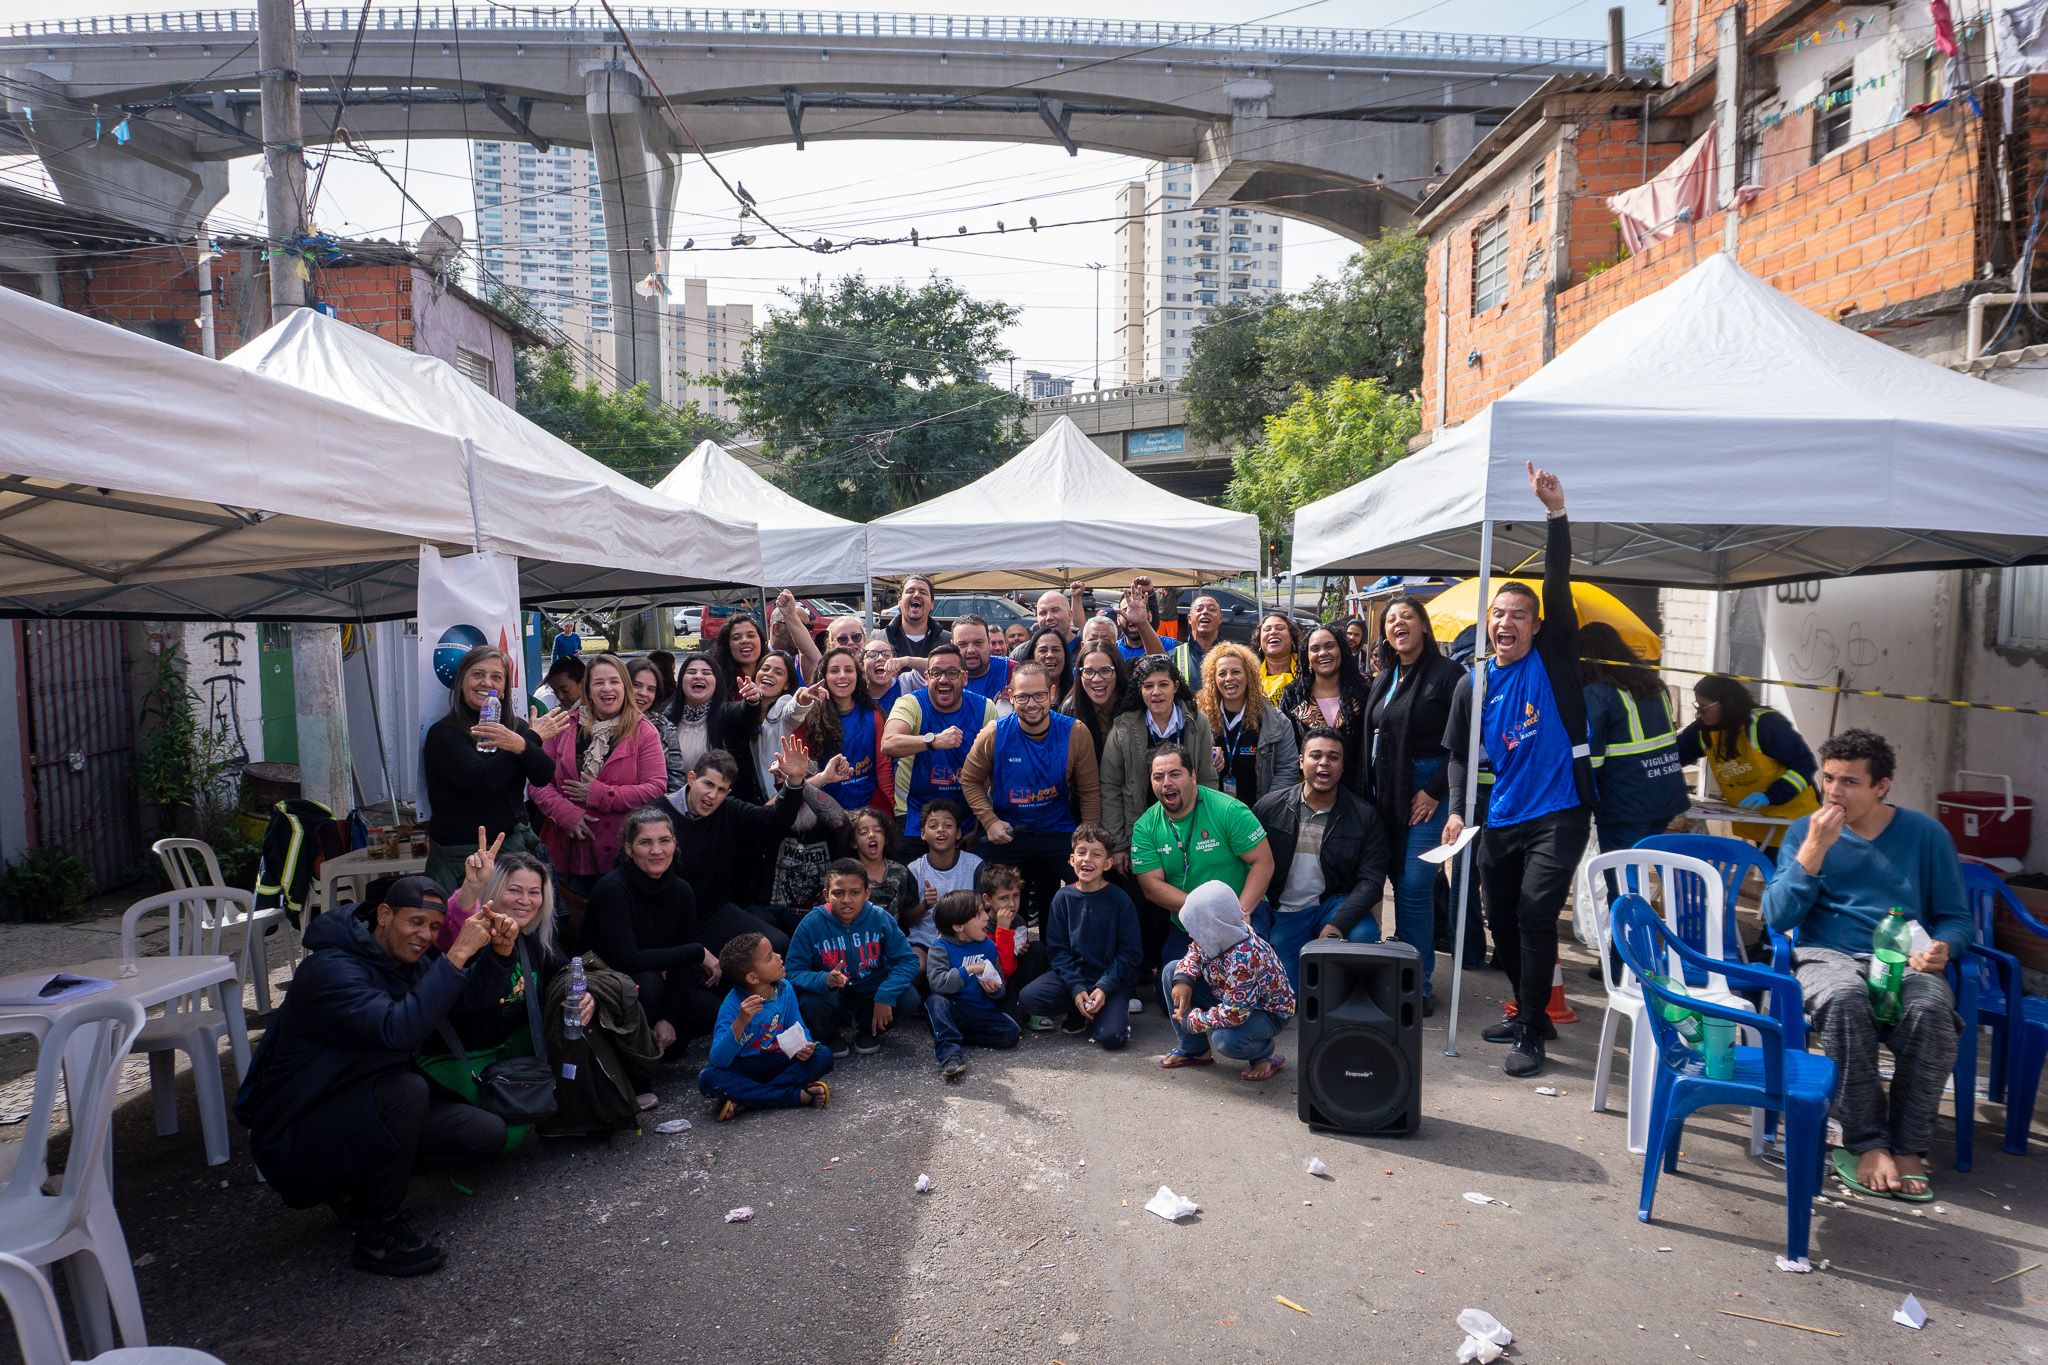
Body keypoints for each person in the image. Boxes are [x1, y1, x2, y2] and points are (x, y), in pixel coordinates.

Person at [235, 876, 517, 1277]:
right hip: (295, 1133)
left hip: (358, 1108)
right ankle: (378, 1234)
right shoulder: (330, 970)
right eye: (415, 922)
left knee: (483, 1133)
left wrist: (500, 956)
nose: (425, 936)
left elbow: (463, 998)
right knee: (406, 1091)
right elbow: (397, 1029)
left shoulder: (402, 959)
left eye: (435, 928)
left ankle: (355, 1191)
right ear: (384, 915)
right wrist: (455, 955)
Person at [1759, 729, 1971, 1201]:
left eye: (1850, 782)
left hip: (1903, 957)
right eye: (1829, 777)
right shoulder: (1804, 831)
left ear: (1882, 786)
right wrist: (1813, 851)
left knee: (1931, 1012)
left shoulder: (1924, 834)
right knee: (1843, 999)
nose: (1834, 791)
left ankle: (1911, 1145)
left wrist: (1945, 948)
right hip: (1826, 954)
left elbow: (1956, 918)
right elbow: (1777, 917)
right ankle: (1867, 1140)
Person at [1441, 463, 1597, 1079]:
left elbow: (1556, 580)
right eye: (1497, 615)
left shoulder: (1555, 657)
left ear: (1535, 626)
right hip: (1500, 815)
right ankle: (1526, 1004)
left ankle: (1534, 1026)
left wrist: (1556, 515)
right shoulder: (1473, 683)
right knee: (1498, 917)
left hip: (1559, 811)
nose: (1505, 623)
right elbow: (1459, 753)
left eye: (1517, 615)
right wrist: (1457, 809)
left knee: (1535, 912)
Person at [425, 848, 660, 1122]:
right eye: (514, 890)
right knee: (505, 1132)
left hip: (511, 1044)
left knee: (585, 1008)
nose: (525, 901)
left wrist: (590, 996)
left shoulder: (531, 936)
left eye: (534, 892)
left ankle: (604, 1100)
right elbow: (450, 931)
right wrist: (471, 887)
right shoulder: (468, 934)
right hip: (464, 1053)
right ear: (494, 889)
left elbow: (570, 974)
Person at [585, 807, 777, 1053]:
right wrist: (697, 952)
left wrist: (669, 1018)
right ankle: (631, 1062)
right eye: (645, 842)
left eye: (664, 841)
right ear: (628, 849)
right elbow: (628, 959)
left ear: (674, 844)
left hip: (655, 975)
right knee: (650, 983)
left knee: (713, 1012)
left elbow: (683, 963)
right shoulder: (613, 889)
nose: (656, 850)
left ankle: (660, 1042)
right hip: (609, 983)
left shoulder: (681, 890)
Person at [1362, 594, 1470, 1004]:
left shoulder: (1450, 675)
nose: (1398, 624)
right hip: (1388, 786)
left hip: (1428, 787)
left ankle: (1416, 987)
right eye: (1391, 620)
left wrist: (1434, 789)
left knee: (1414, 885)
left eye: (1407, 616)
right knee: (1396, 878)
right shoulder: (1387, 676)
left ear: (1424, 625)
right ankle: (1404, 968)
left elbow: (1463, 746)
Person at [1247, 727, 1392, 996]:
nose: (1324, 762)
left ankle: (1349, 996)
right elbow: (1247, 864)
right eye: (1316, 755)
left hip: (1332, 905)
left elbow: (1371, 881)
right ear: (1301, 762)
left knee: (1361, 935)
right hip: (1285, 913)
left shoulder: (1364, 816)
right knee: (1288, 998)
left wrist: (1337, 924)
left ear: (1342, 765)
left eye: (1333, 757)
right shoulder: (1268, 808)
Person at [959, 661, 1102, 925]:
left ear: (1052, 693)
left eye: (1039, 695)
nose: (1032, 703)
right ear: (1011, 697)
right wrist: (989, 822)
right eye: (1023, 696)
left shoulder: (1075, 732)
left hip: (1058, 831)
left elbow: (1090, 791)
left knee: (1095, 885)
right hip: (1008, 834)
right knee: (983, 893)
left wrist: (1090, 840)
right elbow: (969, 779)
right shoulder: (995, 732)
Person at [420, 645, 570, 892]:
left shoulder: (516, 727)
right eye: (477, 674)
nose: (486, 682)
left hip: (514, 851)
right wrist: (526, 742)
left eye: (496, 677)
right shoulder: (445, 732)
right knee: (464, 927)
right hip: (462, 858)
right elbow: (483, 780)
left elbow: (543, 776)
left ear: (503, 690)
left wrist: (522, 743)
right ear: (462, 682)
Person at [1130, 743, 1274, 979]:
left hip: (1243, 911)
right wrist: (1205, 913)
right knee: (1172, 984)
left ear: (1193, 776)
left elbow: (1264, 862)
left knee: (1244, 973)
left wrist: (1239, 911)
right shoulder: (1145, 827)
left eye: (1175, 774)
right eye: (1158, 777)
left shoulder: (1228, 809)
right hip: (1189, 923)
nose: (1166, 782)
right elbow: (1151, 887)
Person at [654, 742, 821, 940]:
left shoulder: (728, 809)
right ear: (691, 779)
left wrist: (794, 782)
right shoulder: (657, 814)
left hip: (716, 914)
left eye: (721, 790)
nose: (712, 795)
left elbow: (772, 820)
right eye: (708, 784)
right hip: (668, 918)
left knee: (778, 943)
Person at [532, 653, 667, 894]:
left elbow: (656, 788)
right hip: (564, 850)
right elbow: (537, 780)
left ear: (624, 686)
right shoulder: (563, 724)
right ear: (587, 689)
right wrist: (565, 813)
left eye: (614, 681)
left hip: (618, 855)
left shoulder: (643, 731)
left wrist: (602, 795)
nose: (607, 688)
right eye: (598, 682)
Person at [1018, 824, 1142, 1047]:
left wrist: (1104, 987)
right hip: (1073, 978)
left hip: (1111, 981)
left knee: (1111, 1038)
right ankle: (1078, 1006)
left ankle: (1107, 1009)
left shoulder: (1120, 900)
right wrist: (1076, 988)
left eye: (1096, 854)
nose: (1087, 859)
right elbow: (1058, 951)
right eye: (1082, 853)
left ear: (1107, 863)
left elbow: (1130, 954)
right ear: (1072, 860)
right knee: (1028, 998)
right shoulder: (1062, 898)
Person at [1161, 881, 1296, 1081]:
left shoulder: (1244, 958)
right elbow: (1194, 953)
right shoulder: (1220, 933)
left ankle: (1265, 1052)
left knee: (1225, 1040)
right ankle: (1194, 1050)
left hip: (1264, 1012)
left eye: (1194, 928)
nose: (1190, 934)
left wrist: (1193, 1020)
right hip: (1230, 997)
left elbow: (1235, 1013)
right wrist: (1184, 979)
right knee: (1172, 971)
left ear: (1213, 927)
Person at [787, 859, 923, 1054]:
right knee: (810, 1002)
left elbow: (907, 960)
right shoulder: (811, 924)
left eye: (855, 892)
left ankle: (868, 1030)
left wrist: (887, 993)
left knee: (909, 998)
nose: (847, 900)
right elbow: (793, 971)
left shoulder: (880, 918)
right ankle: (830, 1035)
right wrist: (823, 979)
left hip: (871, 991)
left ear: (867, 893)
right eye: (838, 893)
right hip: (833, 994)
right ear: (826, 895)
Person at [1579, 621, 1690, 857]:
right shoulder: (1655, 686)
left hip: (1626, 804)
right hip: (1666, 797)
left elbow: (1592, 761)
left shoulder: (1597, 693)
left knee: (1622, 883)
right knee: (1637, 874)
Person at [700, 932, 834, 1121]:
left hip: (779, 1060)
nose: (779, 956)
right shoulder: (732, 1005)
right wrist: (740, 1023)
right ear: (753, 978)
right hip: (745, 1067)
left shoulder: (785, 988)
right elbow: (718, 1060)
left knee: (824, 1055)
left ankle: (748, 1099)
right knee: (708, 1078)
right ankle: (792, 1096)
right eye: (770, 957)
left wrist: (806, 1046)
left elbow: (797, 1026)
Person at [1677, 673, 1819, 847]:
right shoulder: (1702, 729)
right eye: (1697, 705)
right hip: (1760, 818)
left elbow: (1804, 765)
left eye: (1704, 707)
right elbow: (1674, 756)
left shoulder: (1765, 724)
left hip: (1794, 817)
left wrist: (1772, 795)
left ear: (1726, 703)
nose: (1699, 712)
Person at [882, 641, 999, 852]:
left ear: (965, 678)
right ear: (926, 678)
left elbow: (990, 773)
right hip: (914, 817)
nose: (943, 679)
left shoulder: (984, 708)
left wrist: (977, 825)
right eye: (935, 673)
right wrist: (932, 741)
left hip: (966, 818)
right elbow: (889, 743)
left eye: (952, 673)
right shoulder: (911, 703)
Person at [1101, 654, 1219, 860]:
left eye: (1163, 684)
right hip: (1140, 830)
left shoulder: (1197, 722)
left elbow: (1206, 778)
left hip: (1190, 828)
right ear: (1140, 690)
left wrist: (1205, 829)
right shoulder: (1123, 728)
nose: (1156, 692)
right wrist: (1118, 844)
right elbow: (1110, 786)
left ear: (1175, 686)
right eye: (1148, 686)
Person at [924, 890, 1022, 1077]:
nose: (986, 918)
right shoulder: (940, 948)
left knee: (1011, 1034)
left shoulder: (987, 945)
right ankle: (950, 1055)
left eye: (984, 912)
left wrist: (994, 989)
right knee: (935, 1000)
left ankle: (957, 1036)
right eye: (978, 914)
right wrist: (969, 969)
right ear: (958, 926)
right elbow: (938, 984)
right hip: (954, 1010)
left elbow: (1000, 987)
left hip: (980, 1011)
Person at [1196, 641, 1297, 808]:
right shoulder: (1199, 720)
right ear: (1213, 679)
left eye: (1236, 672)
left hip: (1258, 815)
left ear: (1248, 675)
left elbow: (1287, 770)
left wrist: (1266, 810)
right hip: (1211, 815)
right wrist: (1204, 753)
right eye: (1222, 674)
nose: (1229, 678)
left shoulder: (1277, 722)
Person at [712, 648, 816, 808]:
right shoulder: (743, 711)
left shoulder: (783, 708)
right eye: (765, 669)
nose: (769, 674)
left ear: (787, 684)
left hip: (789, 802)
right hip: (760, 803)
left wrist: (802, 699)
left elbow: (794, 711)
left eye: (778, 672)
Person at [1279, 625, 1371, 796]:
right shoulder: (1293, 695)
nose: (1322, 653)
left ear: (1342, 650)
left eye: (1329, 646)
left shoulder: (1364, 690)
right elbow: (1284, 751)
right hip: (1307, 796)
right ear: (1307, 656)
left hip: (1357, 796)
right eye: (1314, 649)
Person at [803, 645, 893, 816]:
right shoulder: (810, 716)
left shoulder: (873, 714)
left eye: (849, 670)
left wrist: (890, 810)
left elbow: (883, 768)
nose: (842, 676)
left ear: (857, 676)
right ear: (824, 677)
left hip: (867, 811)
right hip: (824, 811)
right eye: (834, 671)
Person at [905, 798, 984, 960]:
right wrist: (925, 905)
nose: (940, 830)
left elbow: (986, 912)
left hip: (967, 941)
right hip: (925, 943)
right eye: (933, 826)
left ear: (958, 833)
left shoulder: (975, 865)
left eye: (948, 825)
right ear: (923, 834)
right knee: (914, 967)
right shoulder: (914, 870)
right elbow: (907, 920)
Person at [1061, 642, 1129, 764]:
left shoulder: (1135, 705)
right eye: (1088, 672)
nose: (1096, 679)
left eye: (1105, 671)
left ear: (1118, 673)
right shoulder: (1069, 710)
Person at [629, 656, 689, 792]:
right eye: (636, 685)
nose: (643, 693)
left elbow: (676, 781)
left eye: (651, 689)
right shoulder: (603, 725)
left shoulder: (665, 727)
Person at [663, 651, 726, 778]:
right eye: (691, 672)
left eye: (706, 673)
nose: (698, 676)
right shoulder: (664, 720)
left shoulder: (727, 716)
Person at [945, 613, 1013, 706]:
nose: (971, 650)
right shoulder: (941, 676)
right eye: (962, 644)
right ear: (953, 646)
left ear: (989, 642)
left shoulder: (1011, 670)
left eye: (978, 643)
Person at [885, 575, 951, 662]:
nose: (916, 595)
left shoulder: (948, 642)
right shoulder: (881, 638)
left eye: (923, 592)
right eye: (910, 591)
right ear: (899, 602)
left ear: (932, 604)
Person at [1171, 593, 1225, 686]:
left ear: (1220, 618)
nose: (1205, 612)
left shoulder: (1234, 656)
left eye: (1212, 609)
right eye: (1199, 609)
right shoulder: (1173, 656)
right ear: (1189, 619)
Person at [709, 610, 768, 688]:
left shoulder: (772, 675)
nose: (745, 641)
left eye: (751, 636)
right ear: (727, 645)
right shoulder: (716, 680)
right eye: (736, 638)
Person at [1111, 577, 1166, 661]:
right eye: (1126, 610)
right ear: (1118, 618)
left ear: (1150, 616)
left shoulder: (1171, 645)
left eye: (1137, 610)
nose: (1132, 615)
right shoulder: (1113, 650)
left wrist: (1149, 593)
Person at [1255, 612, 1301, 703]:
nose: (1273, 632)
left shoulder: (1308, 669)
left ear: (1292, 638)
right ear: (1259, 641)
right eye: (1267, 630)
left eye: (1280, 628)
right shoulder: (1250, 674)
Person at [1022, 625, 1074, 704]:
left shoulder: (1078, 694)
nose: (1050, 655)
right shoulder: (1019, 695)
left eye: (1056, 650)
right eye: (1043, 651)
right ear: (1032, 656)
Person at [862, 637, 918, 708]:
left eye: (887, 655)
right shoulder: (855, 693)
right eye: (872, 655)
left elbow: (932, 667)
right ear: (861, 666)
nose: (881, 658)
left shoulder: (905, 683)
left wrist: (907, 661)